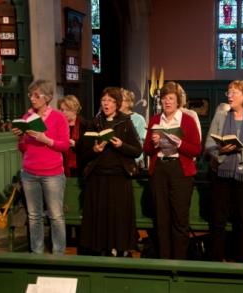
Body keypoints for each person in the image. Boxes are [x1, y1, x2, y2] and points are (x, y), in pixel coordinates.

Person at [205, 80, 243, 262]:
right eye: (229, 92)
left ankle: (240, 261)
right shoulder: (220, 117)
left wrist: (241, 150)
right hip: (221, 173)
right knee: (218, 220)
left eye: (235, 93)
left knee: (242, 221)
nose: (230, 96)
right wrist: (220, 151)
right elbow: (209, 145)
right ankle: (216, 260)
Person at [79, 87, 142, 256]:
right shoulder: (94, 122)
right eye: (103, 100)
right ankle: (100, 250)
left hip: (119, 177)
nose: (106, 104)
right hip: (98, 178)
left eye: (110, 101)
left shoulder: (125, 122)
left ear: (117, 104)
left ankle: (120, 249)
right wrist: (95, 150)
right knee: (100, 218)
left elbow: (137, 150)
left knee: (118, 217)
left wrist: (121, 145)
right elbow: (83, 154)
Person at [143, 81, 201, 259]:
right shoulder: (154, 120)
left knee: (179, 218)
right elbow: (146, 150)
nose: (167, 102)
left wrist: (180, 143)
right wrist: (153, 144)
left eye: (171, 98)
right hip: (160, 169)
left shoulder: (188, 120)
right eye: (164, 99)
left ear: (178, 102)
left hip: (180, 171)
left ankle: (179, 261)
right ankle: (164, 259)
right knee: (161, 218)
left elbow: (197, 149)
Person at [12, 79, 69, 254]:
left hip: (52, 173)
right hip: (29, 172)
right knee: (34, 216)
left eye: (37, 95)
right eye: (31, 95)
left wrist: (46, 140)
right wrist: (20, 137)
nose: (32, 98)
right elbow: (23, 148)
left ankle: (59, 254)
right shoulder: (27, 117)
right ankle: (37, 253)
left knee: (56, 216)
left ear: (47, 97)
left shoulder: (58, 117)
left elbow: (65, 145)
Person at [58, 95, 89, 177]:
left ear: (75, 110)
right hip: (60, 166)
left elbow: (89, 147)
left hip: (80, 166)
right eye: (61, 109)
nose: (63, 112)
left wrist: (76, 144)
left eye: (67, 110)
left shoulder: (85, 125)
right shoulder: (57, 125)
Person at [120, 88, 147, 171]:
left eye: (121, 100)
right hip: (118, 162)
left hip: (134, 163)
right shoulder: (114, 118)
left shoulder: (139, 119)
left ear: (128, 103)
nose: (117, 103)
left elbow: (141, 143)